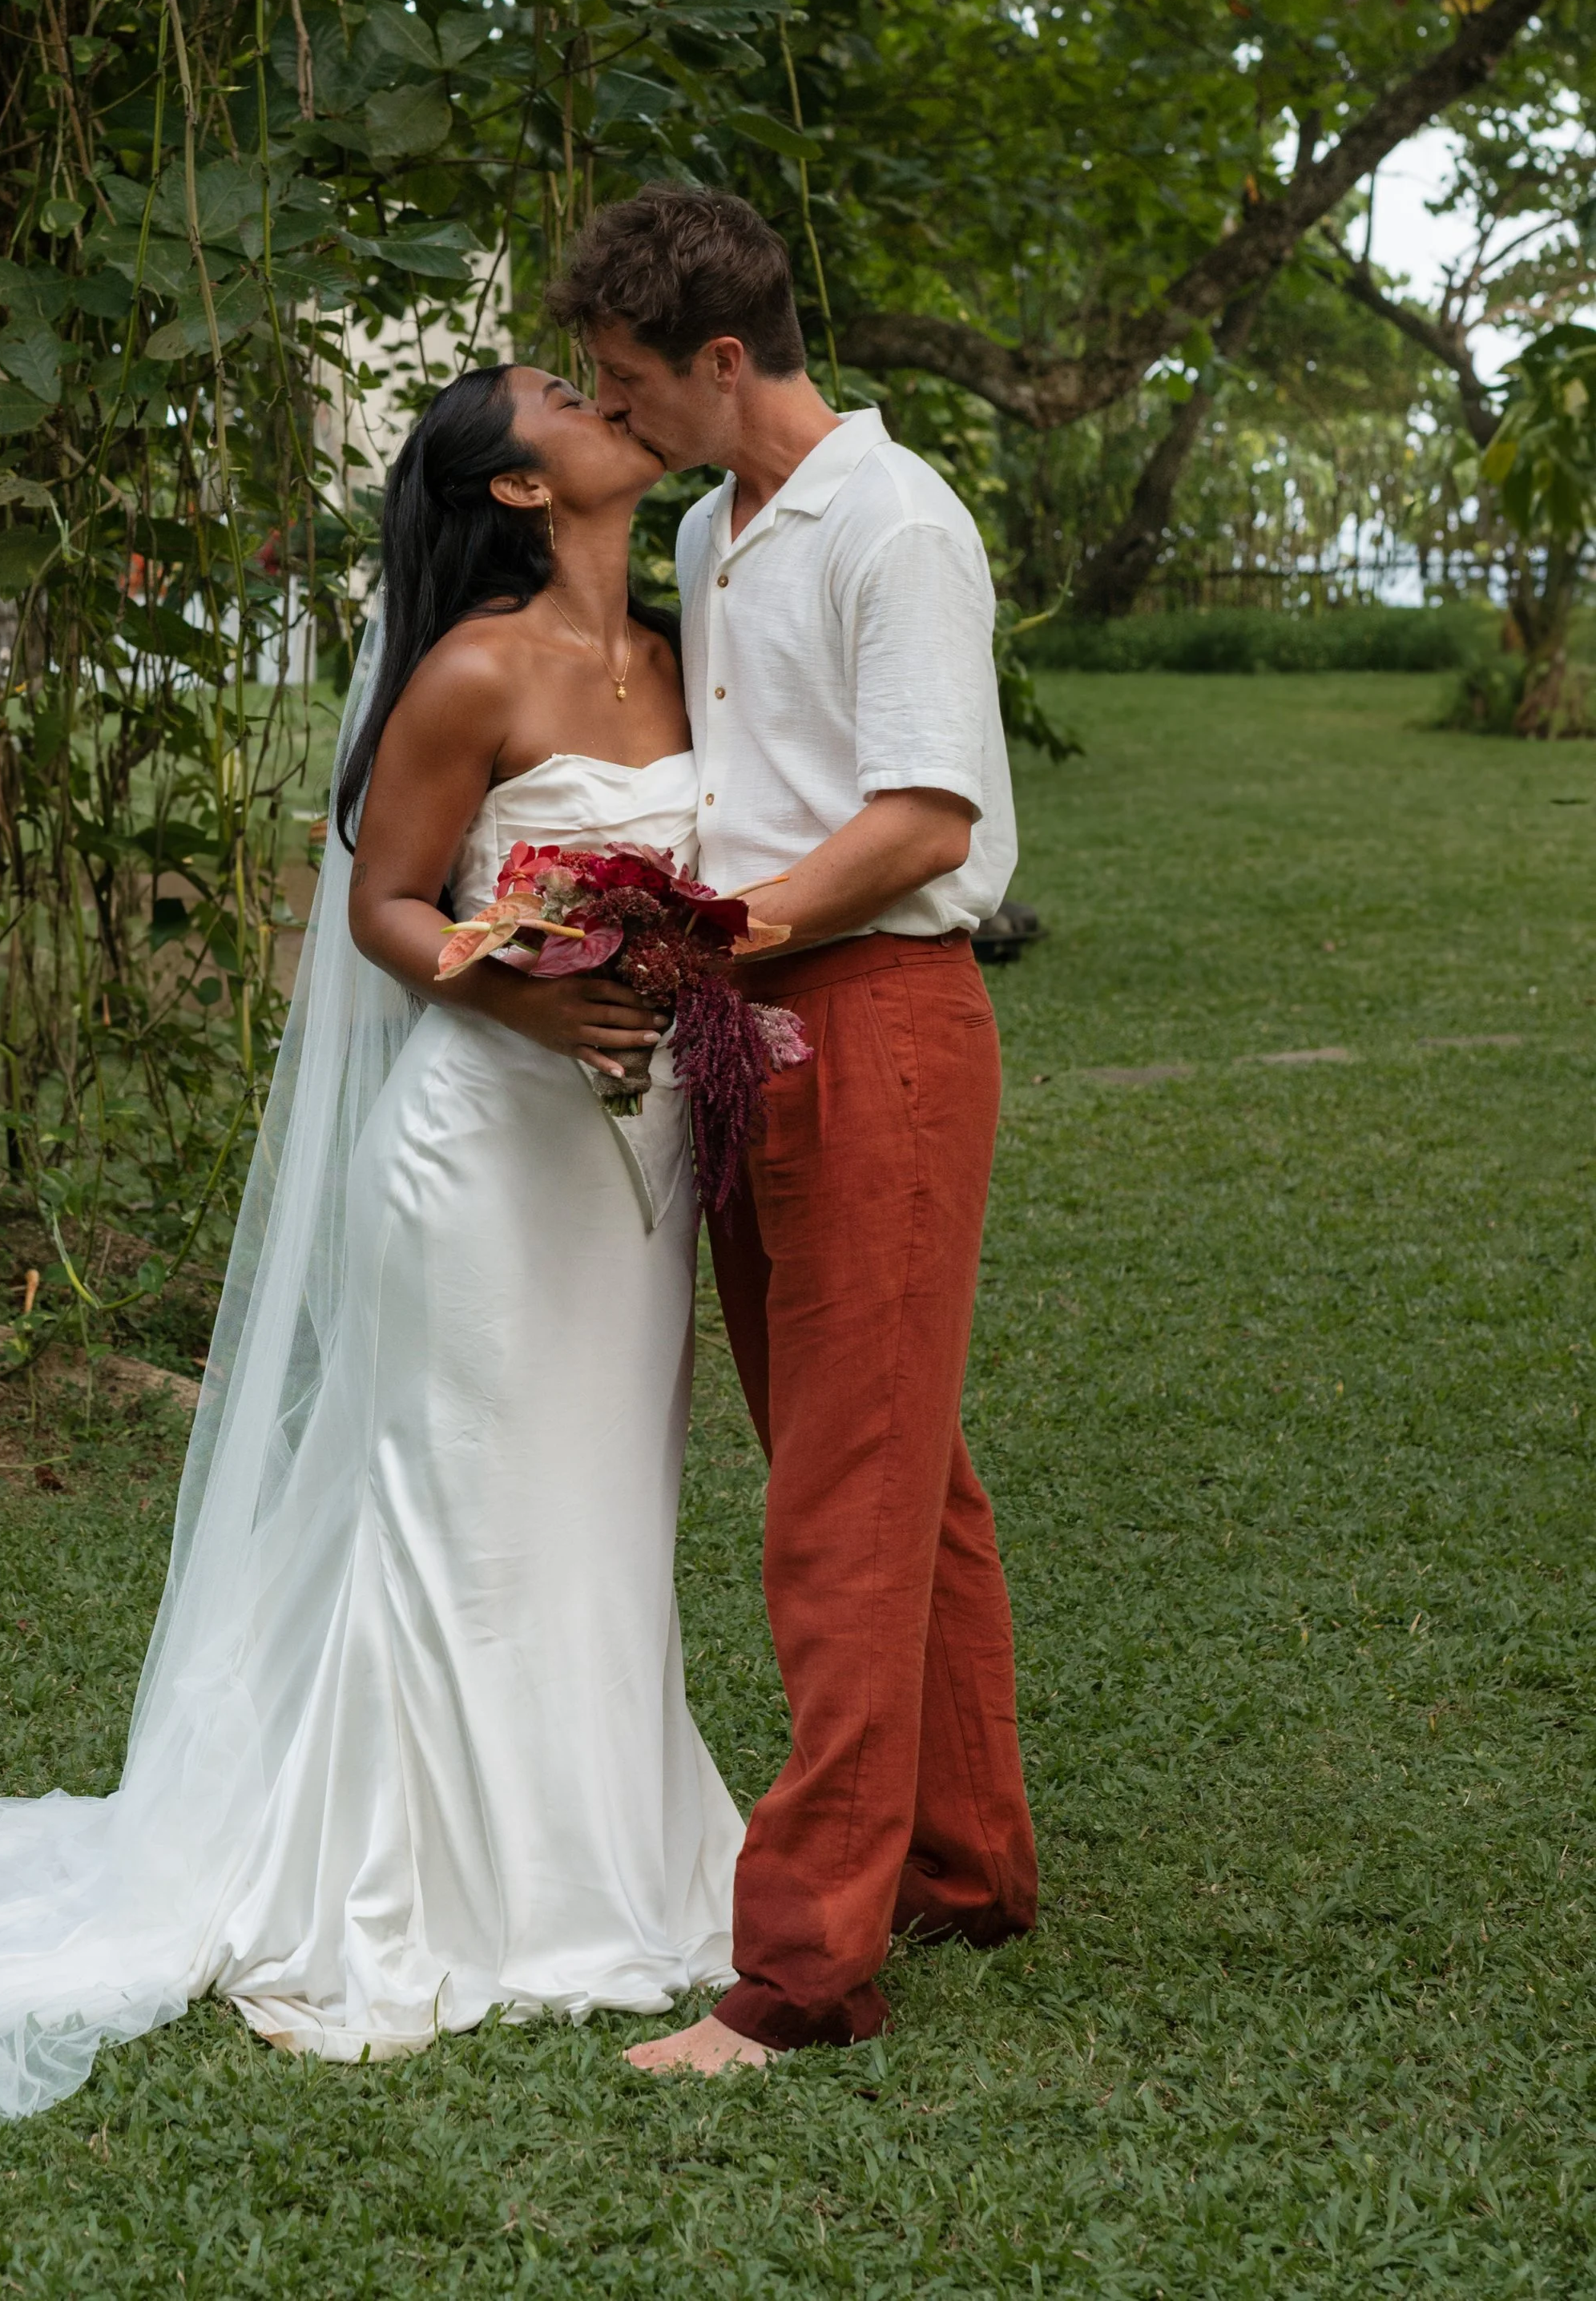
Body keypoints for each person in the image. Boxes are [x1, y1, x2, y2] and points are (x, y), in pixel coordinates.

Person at [0, 362, 740, 2114]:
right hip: (483, 1152)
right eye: (559, 397)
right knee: (460, 1511)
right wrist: (524, 998)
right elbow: (379, 901)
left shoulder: (684, 651)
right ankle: (423, 1895)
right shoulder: (470, 672)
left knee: (606, 1496)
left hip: (640, 1162)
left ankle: (612, 1854)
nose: (606, 398)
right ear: (517, 491)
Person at [550, 184, 1039, 2073]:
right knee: (897, 1467)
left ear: (725, 360)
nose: (610, 416)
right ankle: (964, 1860)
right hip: (750, 1022)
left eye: (626, 383)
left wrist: (710, 933)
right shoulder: (706, 522)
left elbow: (921, 826)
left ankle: (803, 1974)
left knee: (837, 1497)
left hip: (880, 1023)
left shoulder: (893, 526)